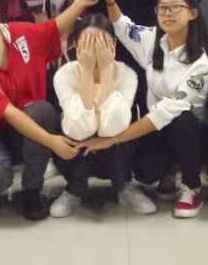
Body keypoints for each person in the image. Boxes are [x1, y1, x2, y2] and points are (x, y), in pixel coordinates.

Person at [0, 0, 98, 220]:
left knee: (42, 111)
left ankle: (32, 190)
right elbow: (9, 113)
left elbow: (53, 28)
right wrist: (52, 142)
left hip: (22, 127)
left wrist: (81, 2)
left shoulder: (18, 33)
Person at [85, 0, 208, 218]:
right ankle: (167, 172)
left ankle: (192, 186)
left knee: (181, 120)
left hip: (192, 135)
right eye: (162, 8)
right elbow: (122, 26)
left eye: (175, 7)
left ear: (193, 13)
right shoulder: (153, 39)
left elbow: (165, 113)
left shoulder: (202, 65)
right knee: (146, 173)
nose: (167, 13)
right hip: (157, 128)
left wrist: (111, 140)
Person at [49, 14, 155, 217]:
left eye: (101, 42)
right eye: (88, 43)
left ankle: (124, 186)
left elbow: (112, 127)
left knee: (123, 124)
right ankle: (73, 191)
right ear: (76, 45)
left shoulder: (126, 74)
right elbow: (79, 130)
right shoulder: (65, 74)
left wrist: (105, 70)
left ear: (113, 44)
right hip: (78, 146)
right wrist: (88, 71)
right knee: (70, 128)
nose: (95, 49)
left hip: (115, 145)